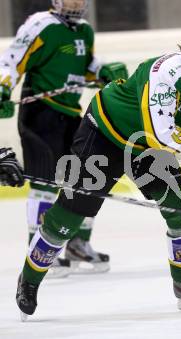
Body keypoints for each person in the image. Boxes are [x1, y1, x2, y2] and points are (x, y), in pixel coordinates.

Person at [15, 26, 181, 317]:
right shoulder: (166, 72)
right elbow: (160, 131)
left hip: (146, 150)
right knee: (74, 211)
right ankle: (30, 277)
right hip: (105, 133)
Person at [0, 0, 128, 277]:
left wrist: (102, 71)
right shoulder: (40, 25)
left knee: (85, 178)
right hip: (40, 113)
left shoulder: (84, 30)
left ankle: (78, 244)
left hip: (71, 113)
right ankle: (37, 246)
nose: (75, 4)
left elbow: (86, 65)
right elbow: (12, 60)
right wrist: (3, 86)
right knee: (44, 181)